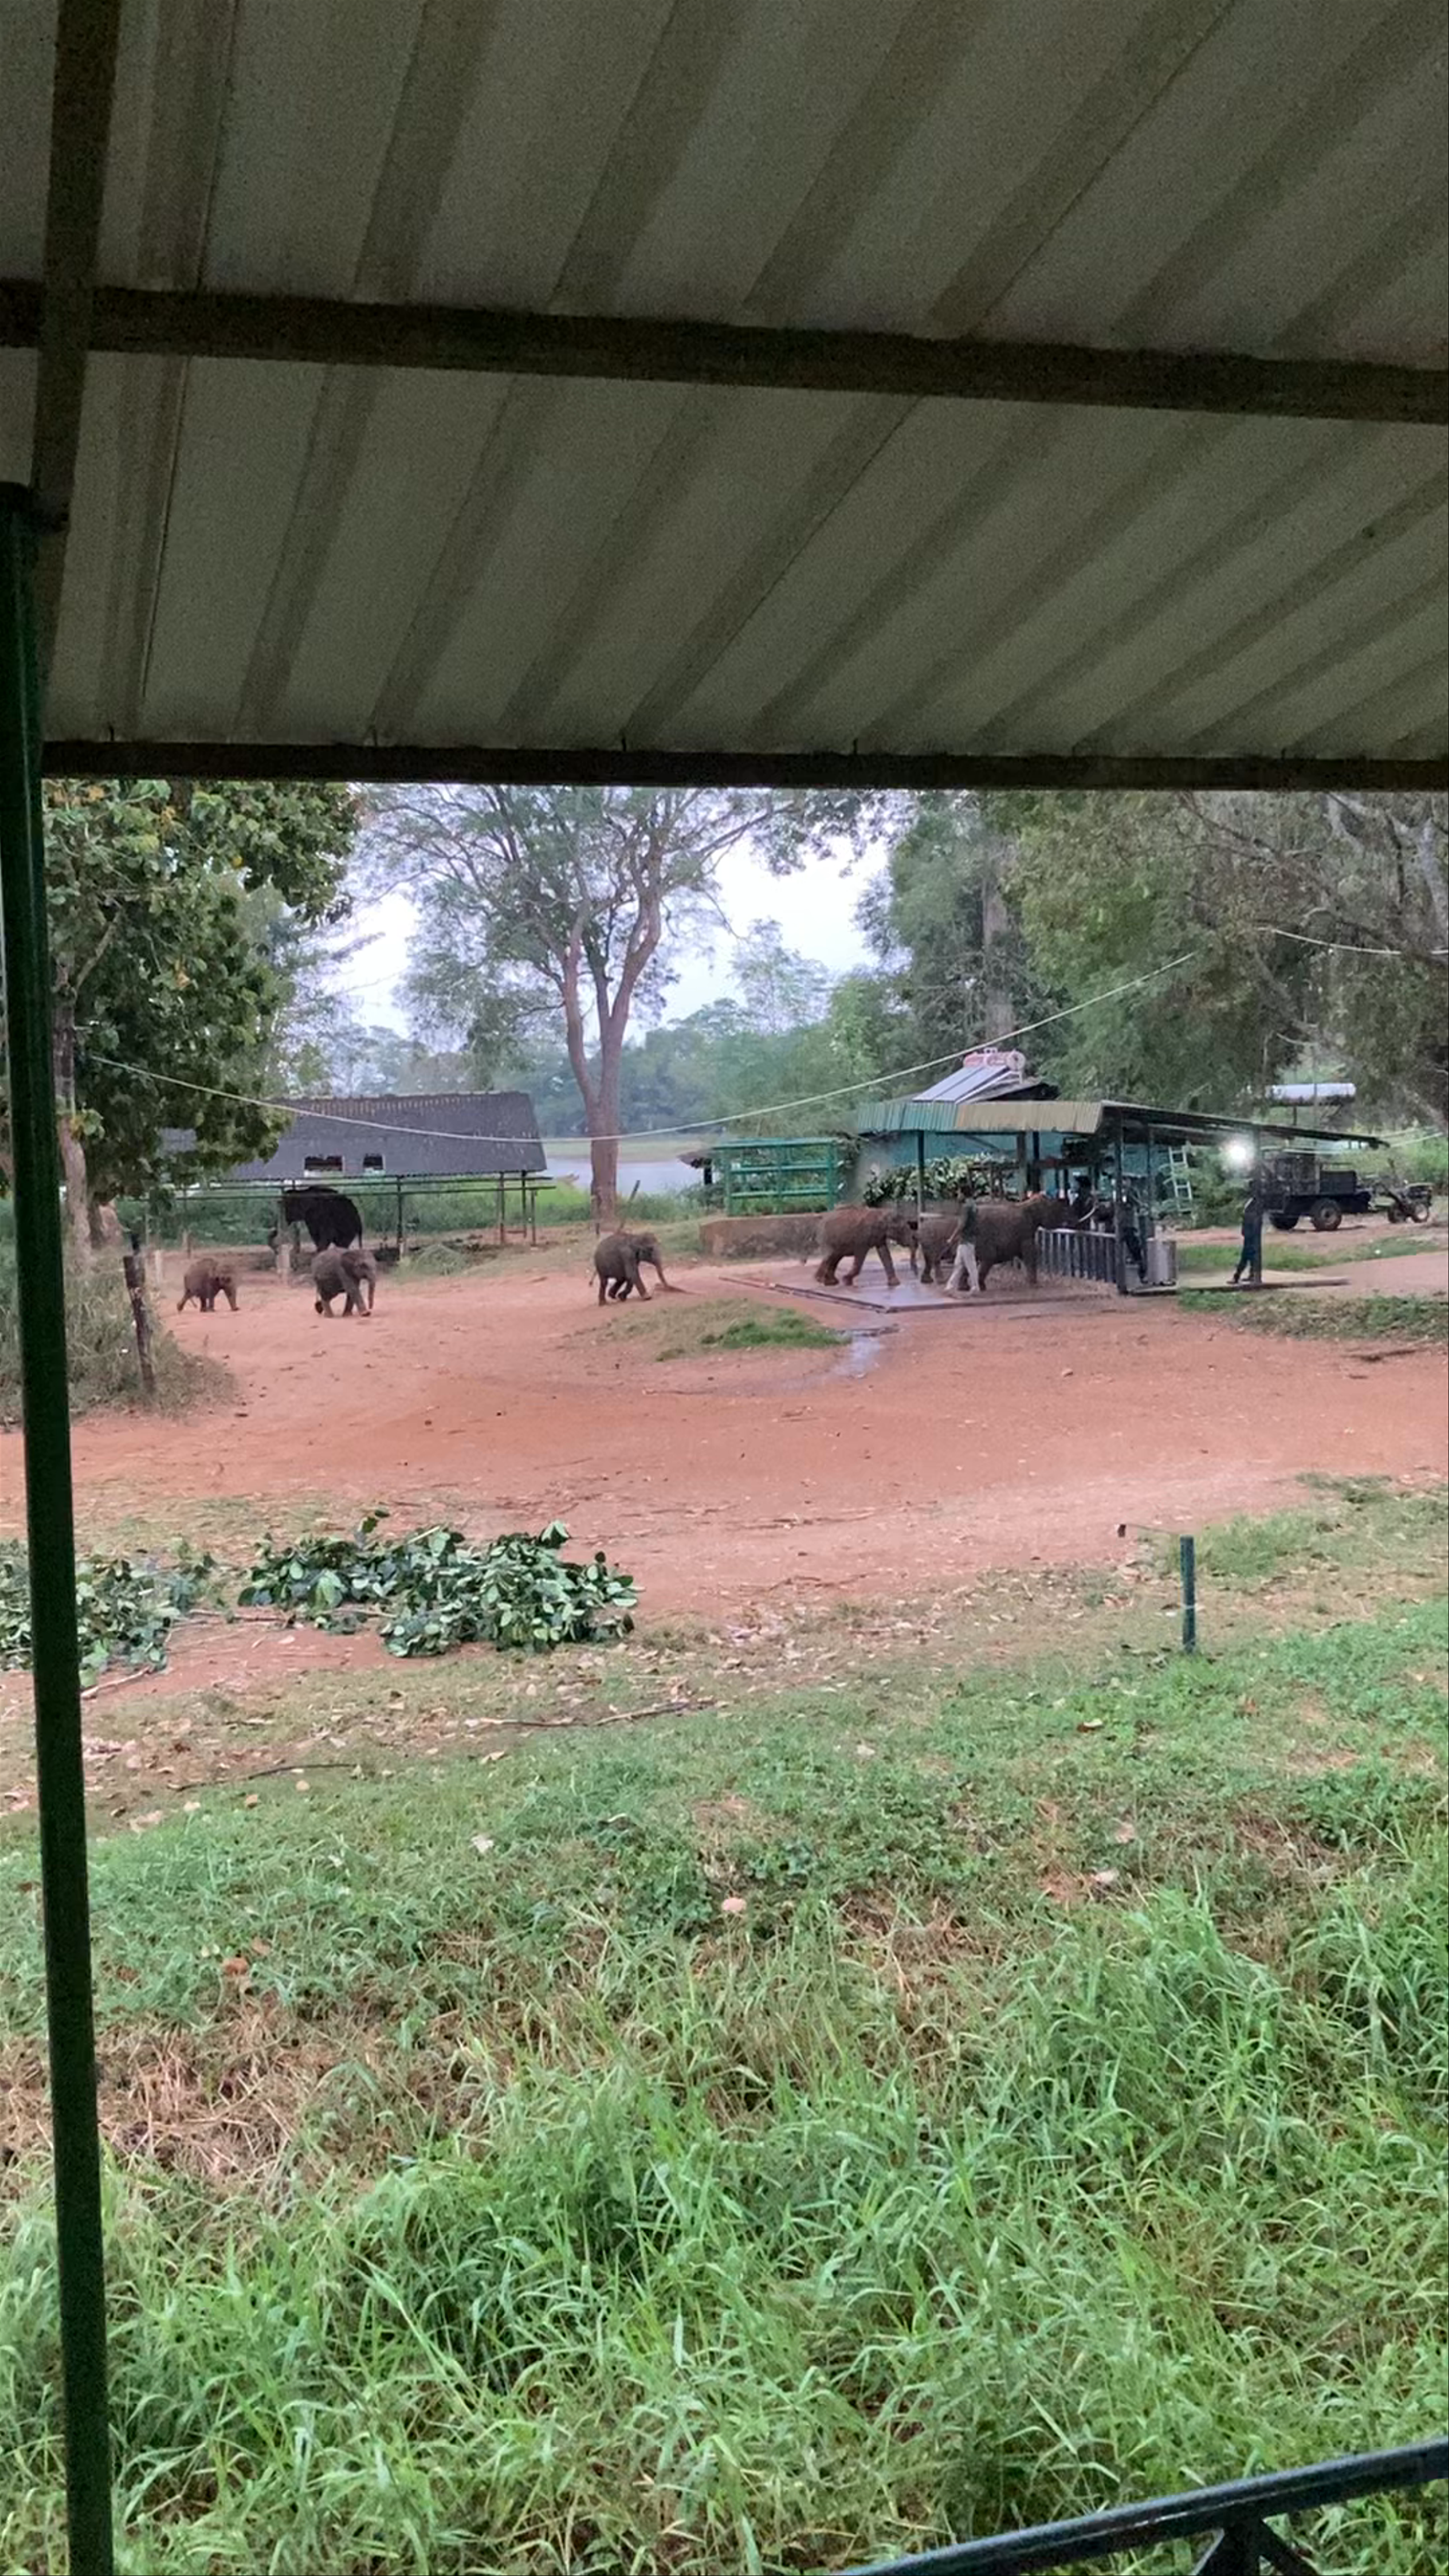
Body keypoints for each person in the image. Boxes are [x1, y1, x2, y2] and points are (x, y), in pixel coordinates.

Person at [1232, 1189, 1263, 1286]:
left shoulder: (1257, 1203)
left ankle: (1237, 1276)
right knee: (1250, 1256)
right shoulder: (1251, 1202)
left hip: (1252, 1235)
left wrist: (1251, 1233)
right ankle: (1250, 1275)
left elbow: (1255, 1220)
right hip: (1249, 1233)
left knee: (1246, 1256)